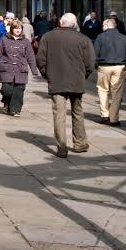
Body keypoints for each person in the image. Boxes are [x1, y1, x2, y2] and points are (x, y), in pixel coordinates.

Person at [37, 13, 95, 158]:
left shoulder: (48, 37)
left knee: (59, 114)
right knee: (78, 112)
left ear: (60, 22)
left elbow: (40, 59)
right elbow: (90, 63)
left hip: (56, 81)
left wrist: (47, 74)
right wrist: (83, 75)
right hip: (76, 81)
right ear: (75, 24)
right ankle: (80, 143)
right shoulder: (83, 39)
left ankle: (62, 147)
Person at [0, 21, 39, 117]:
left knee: (19, 91)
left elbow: (31, 56)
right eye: (16, 28)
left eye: (19, 28)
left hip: (21, 69)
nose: (18, 30)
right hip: (6, 69)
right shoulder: (4, 39)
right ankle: (6, 101)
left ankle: (15, 110)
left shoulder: (26, 42)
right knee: (6, 90)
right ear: (12, 29)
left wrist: (34, 70)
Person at [94, 17, 126, 127]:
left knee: (102, 90)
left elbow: (94, 53)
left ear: (107, 26)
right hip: (119, 67)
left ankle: (105, 115)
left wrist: (96, 65)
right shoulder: (124, 38)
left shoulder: (100, 37)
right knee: (117, 93)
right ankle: (114, 118)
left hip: (104, 66)